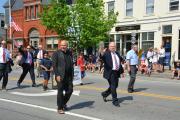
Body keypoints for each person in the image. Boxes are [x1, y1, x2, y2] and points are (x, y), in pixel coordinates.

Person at [52, 40, 74, 114]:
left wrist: (72, 74)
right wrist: (57, 74)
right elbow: (54, 65)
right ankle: (60, 108)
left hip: (69, 76)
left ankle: (63, 103)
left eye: (64, 45)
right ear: (59, 45)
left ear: (67, 46)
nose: (63, 47)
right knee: (60, 92)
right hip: (60, 76)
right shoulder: (56, 53)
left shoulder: (69, 53)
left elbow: (71, 64)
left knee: (70, 90)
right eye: (62, 45)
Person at [100, 42, 124, 107]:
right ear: (109, 47)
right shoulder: (106, 53)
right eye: (111, 46)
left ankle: (104, 94)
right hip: (110, 73)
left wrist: (122, 72)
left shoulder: (117, 53)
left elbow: (119, 62)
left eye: (114, 46)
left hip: (116, 72)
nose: (113, 47)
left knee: (115, 86)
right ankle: (115, 100)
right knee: (113, 86)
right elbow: (102, 57)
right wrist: (101, 52)